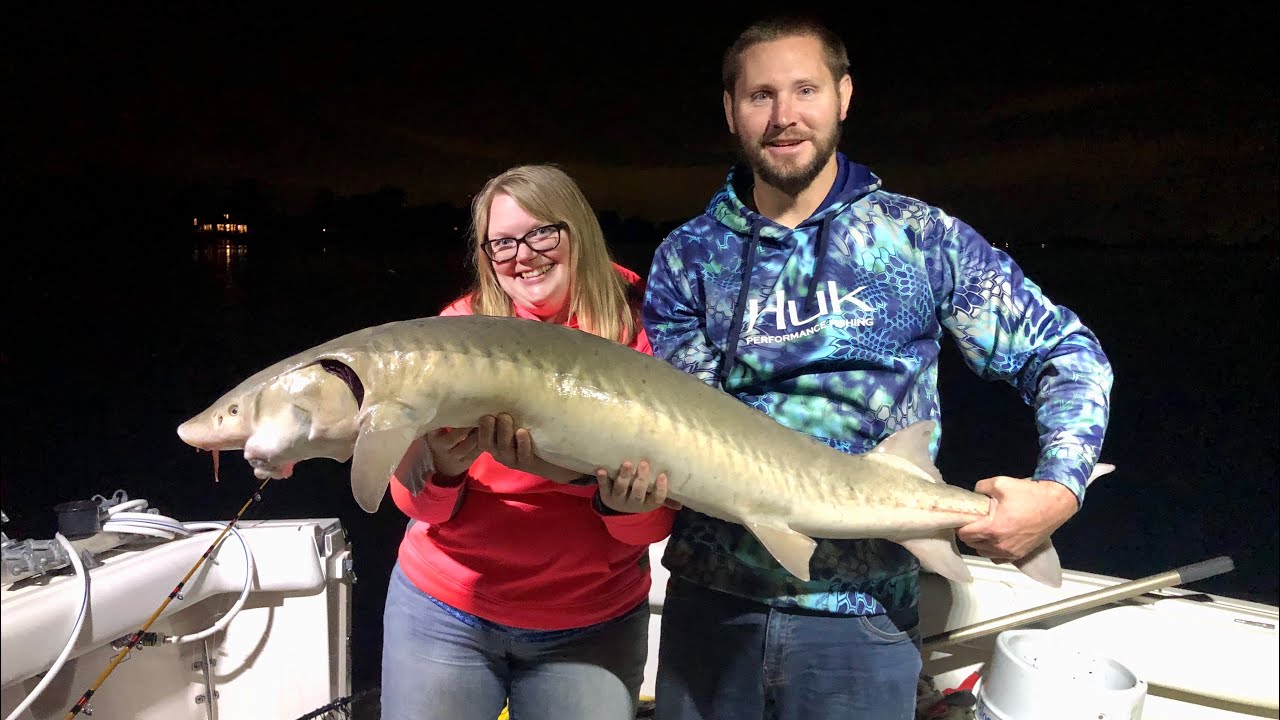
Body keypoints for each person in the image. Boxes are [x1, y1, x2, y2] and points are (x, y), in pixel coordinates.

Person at [641, 15, 1113, 719]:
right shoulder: (688, 258)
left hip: (864, 621)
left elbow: (1068, 354)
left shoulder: (918, 237)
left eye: (806, 90)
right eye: (760, 95)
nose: (784, 116)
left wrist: (1060, 488)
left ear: (844, 96)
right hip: (712, 605)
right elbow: (681, 426)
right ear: (731, 111)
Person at [381, 164, 678, 720]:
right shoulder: (458, 330)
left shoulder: (640, 335)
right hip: (446, 610)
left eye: (542, 232)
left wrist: (610, 496)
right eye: (502, 243)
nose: (524, 255)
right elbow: (415, 504)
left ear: (578, 231)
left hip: (591, 624)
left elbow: (653, 524)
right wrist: (441, 471)